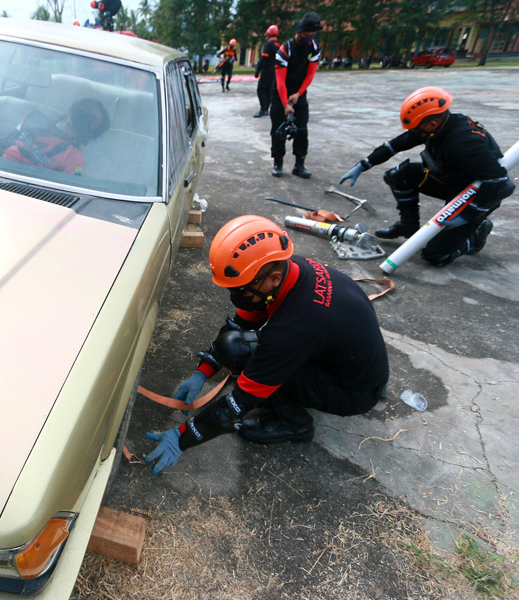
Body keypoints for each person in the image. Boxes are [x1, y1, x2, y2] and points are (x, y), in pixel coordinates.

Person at [145, 215, 390, 474]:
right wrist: (202, 371)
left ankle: (296, 425)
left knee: (250, 359)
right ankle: (298, 394)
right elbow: (239, 328)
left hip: (352, 393)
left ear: (272, 278)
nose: (235, 297)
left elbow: (237, 404)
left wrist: (182, 437)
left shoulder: (295, 326)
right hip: (345, 363)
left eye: (240, 290)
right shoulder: (286, 269)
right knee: (236, 344)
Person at [339, 86, 515, 267]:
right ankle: (408, 225)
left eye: (415, 128)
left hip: (474, 194)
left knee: (435, 256)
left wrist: (468, 215)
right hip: (449, 178)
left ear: (432, 123)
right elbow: (396, 144)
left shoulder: (463, 143)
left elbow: (501, 185)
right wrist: (364, 164)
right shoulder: (440, 125)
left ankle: (476, 234)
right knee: (399, 176)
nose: (413, 133)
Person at [270, 11, 322, 179]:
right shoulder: (285, 50)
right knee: (278, 130)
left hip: (299, 93)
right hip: (280, 93)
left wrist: (299, 94)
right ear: (299, 33)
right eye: (306, 35)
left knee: (302, 129)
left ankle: (299, 165)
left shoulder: (314, 47)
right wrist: (285, 103)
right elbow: (280, 81)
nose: (309, 38)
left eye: (312, 35)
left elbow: (310, 74)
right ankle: (278, 162)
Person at [1, 99, 110, 175]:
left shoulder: (73, 156)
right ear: (75, 105)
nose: (86, 115)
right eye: (86, 109)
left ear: (90, 133)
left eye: (92, 118)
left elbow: (64, 191)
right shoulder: (34, 118)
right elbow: (5, 143)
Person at [254, 25, 279, 118]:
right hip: (275, 71)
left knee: (261, 89)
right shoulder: (278, 45)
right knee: (269, 90)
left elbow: (264, 58)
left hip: (267, 70)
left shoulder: (268, 44)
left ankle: (263, 109)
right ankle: (266, 108)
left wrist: (258, 70)